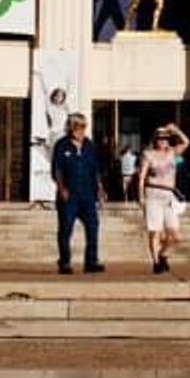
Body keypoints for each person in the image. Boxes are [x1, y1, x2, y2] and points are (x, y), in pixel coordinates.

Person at [51, 113, 106, 275]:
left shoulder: (89, 145)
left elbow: (95, 170)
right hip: (69, 195)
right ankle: (65, 262)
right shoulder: (62, 145)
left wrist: (100, 189)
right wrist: (62, 189)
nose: (80, 130)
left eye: (83, 126)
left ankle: (91, 261)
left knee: (93, 227)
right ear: (70, 127)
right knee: (66, 229)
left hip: (87, 195)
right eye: (76, 126)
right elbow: (57, 170)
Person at [137, 126, 184, 274]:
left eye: (165, 139)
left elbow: (186, 142)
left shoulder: (171, 153)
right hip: (153, 193)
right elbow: (141, 177)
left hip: (169, 195)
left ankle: (162, 254)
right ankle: (156, 262)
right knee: (155, 231)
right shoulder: (148, 154)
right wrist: (141, 196)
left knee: (175, 235)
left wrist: (175, 130)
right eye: (160, 139)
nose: (162, 142)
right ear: (155, 140)